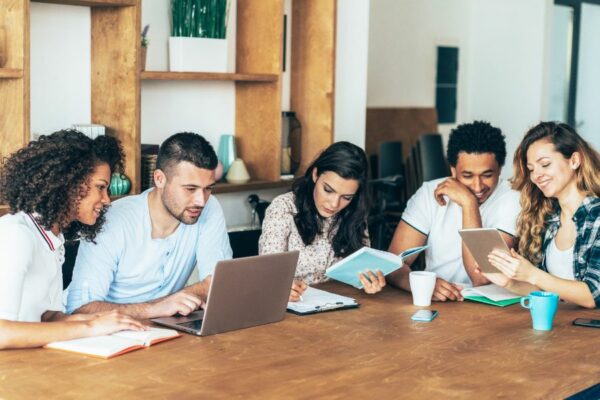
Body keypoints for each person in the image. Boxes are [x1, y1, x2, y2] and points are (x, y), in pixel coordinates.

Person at [0, 130, 145, 349]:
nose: (106, 200)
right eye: (100, 187)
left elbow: (46, 318)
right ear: (68, 183)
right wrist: (90, 328)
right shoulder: (17, 235)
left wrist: (98, 321)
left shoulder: (54, 238)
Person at [66, 132, 232, 318]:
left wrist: (173, 302)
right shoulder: (112, 220)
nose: (201, 201)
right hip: (107, 334)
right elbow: (80, 309)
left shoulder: (209, 208)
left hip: (164, 331)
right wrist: (158, 307)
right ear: (159, 179)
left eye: (208, 188)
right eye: (190, 189)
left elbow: (218, 282)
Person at [386, 121, 520, 301]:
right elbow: (392, 263)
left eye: (487, 175)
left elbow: (481, 277)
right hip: (436, 302)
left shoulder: (513, 198)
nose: (478, 185)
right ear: (452, 170)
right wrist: (419, 284)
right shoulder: (428, 193)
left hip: (490, 307)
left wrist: (469, 204)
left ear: (500, 169)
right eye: (467, 176)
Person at [486, 122, 600, 308]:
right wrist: (510, 281)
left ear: (574, 161)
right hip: (559, 327)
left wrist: (531, 273)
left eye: (545, 164)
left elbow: (592, 295)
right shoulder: (549, 219)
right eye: (531, 169)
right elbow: (550, 292)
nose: (536, 175)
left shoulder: (597, 217)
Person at [259, 141, 385, 301]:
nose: (334, 204)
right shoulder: (283, 208)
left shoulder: (354, 212)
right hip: (295, 308)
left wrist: (368, 281)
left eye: (346, 197)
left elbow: (360, 269)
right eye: (328, 190)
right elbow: (267, 273)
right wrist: (280, 285)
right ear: (315, 174)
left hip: (340, 306)